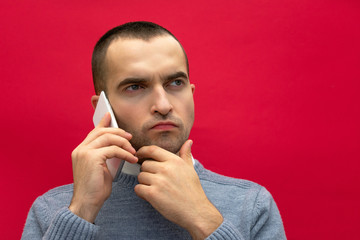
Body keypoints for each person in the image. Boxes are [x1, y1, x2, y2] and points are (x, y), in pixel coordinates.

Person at [22, 21, 286, 240]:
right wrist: (81, 211)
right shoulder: (51, 212)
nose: (163, 105)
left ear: (191, 94)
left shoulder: (251, 205)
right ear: (103, 108)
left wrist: (205, 220)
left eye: (175, 82)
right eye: (135, 86)